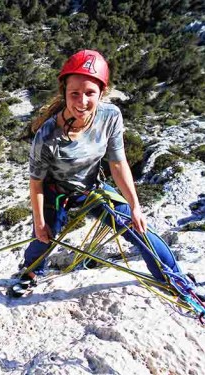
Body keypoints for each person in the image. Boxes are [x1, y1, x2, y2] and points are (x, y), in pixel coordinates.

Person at [20, 49, 186, 290]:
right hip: (56, 192)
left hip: (91, 188)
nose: (82, 101)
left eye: (90, 93)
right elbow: (36, 183)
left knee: (139, 228)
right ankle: (31, 272)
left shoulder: (110, 116)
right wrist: (39, 221)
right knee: (44, 236)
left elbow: (118, 163)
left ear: (102, 92)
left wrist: (134, 206)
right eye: (74, 93)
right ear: (64, 93)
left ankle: (173, 278)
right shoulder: (47, 135)